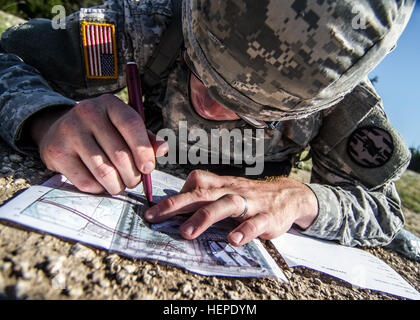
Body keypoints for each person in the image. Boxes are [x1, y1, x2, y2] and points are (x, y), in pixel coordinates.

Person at [0, 0, 418, 258]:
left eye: (259, 113)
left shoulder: (341, 99)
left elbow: (383, 210)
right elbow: (6, 55)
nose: (211, 107)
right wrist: (44, 117)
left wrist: (302, 198)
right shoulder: (147, 27)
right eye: (201, 71)